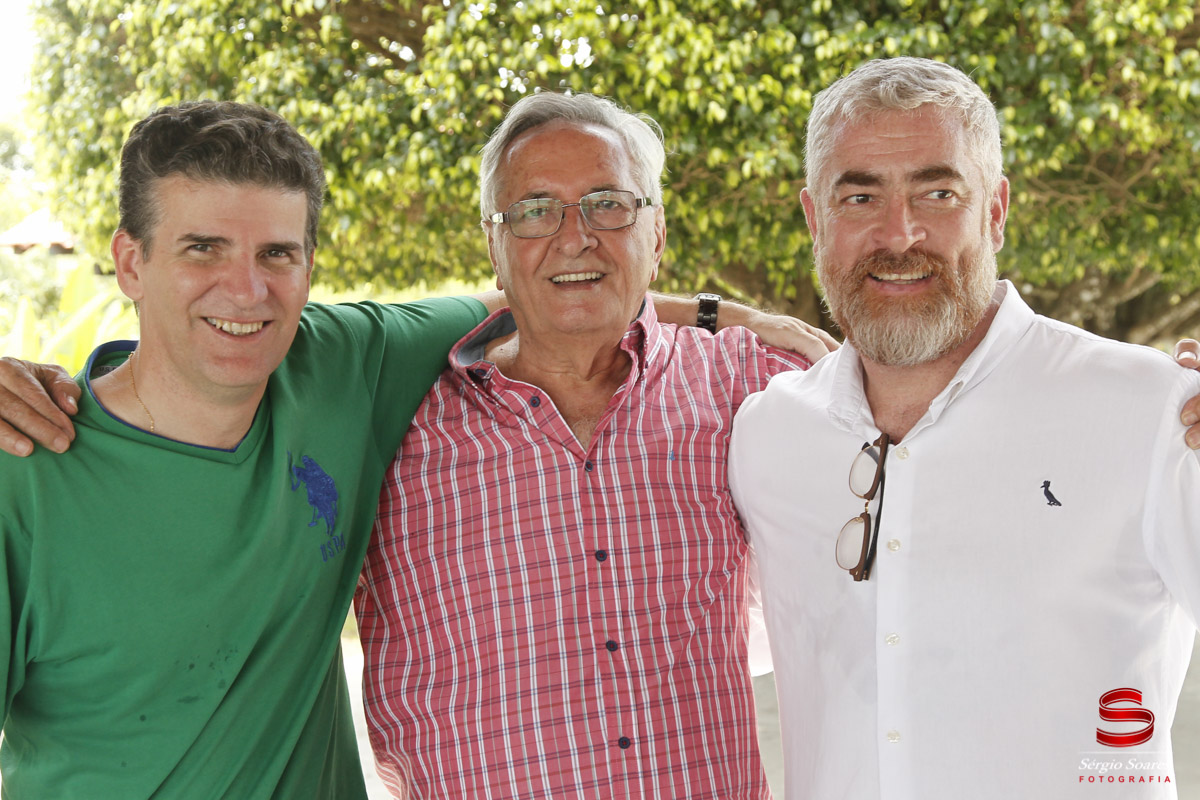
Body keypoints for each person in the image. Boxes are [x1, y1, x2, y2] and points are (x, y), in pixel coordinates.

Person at [728, 56, 1200, 799]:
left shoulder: (1153, 412)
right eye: (859, 196)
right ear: (815, 220)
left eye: (938, 191)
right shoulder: (767, 433)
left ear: (996, 210)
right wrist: (727, 315)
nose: (899, 233)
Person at [0, 100, 496, 798]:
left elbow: (550, 305)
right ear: (130, 263)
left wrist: (710, 314)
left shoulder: (343, 364)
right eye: (203, 248)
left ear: (309, 264)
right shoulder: (22, 472)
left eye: (276, 254)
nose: (247, 289)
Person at [352, 92, 827, 799]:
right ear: (493, 245)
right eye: (534, 211)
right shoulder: (390, 422)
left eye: (608, 204)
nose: (574, 237)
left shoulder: (748, 383)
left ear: (657, 235)